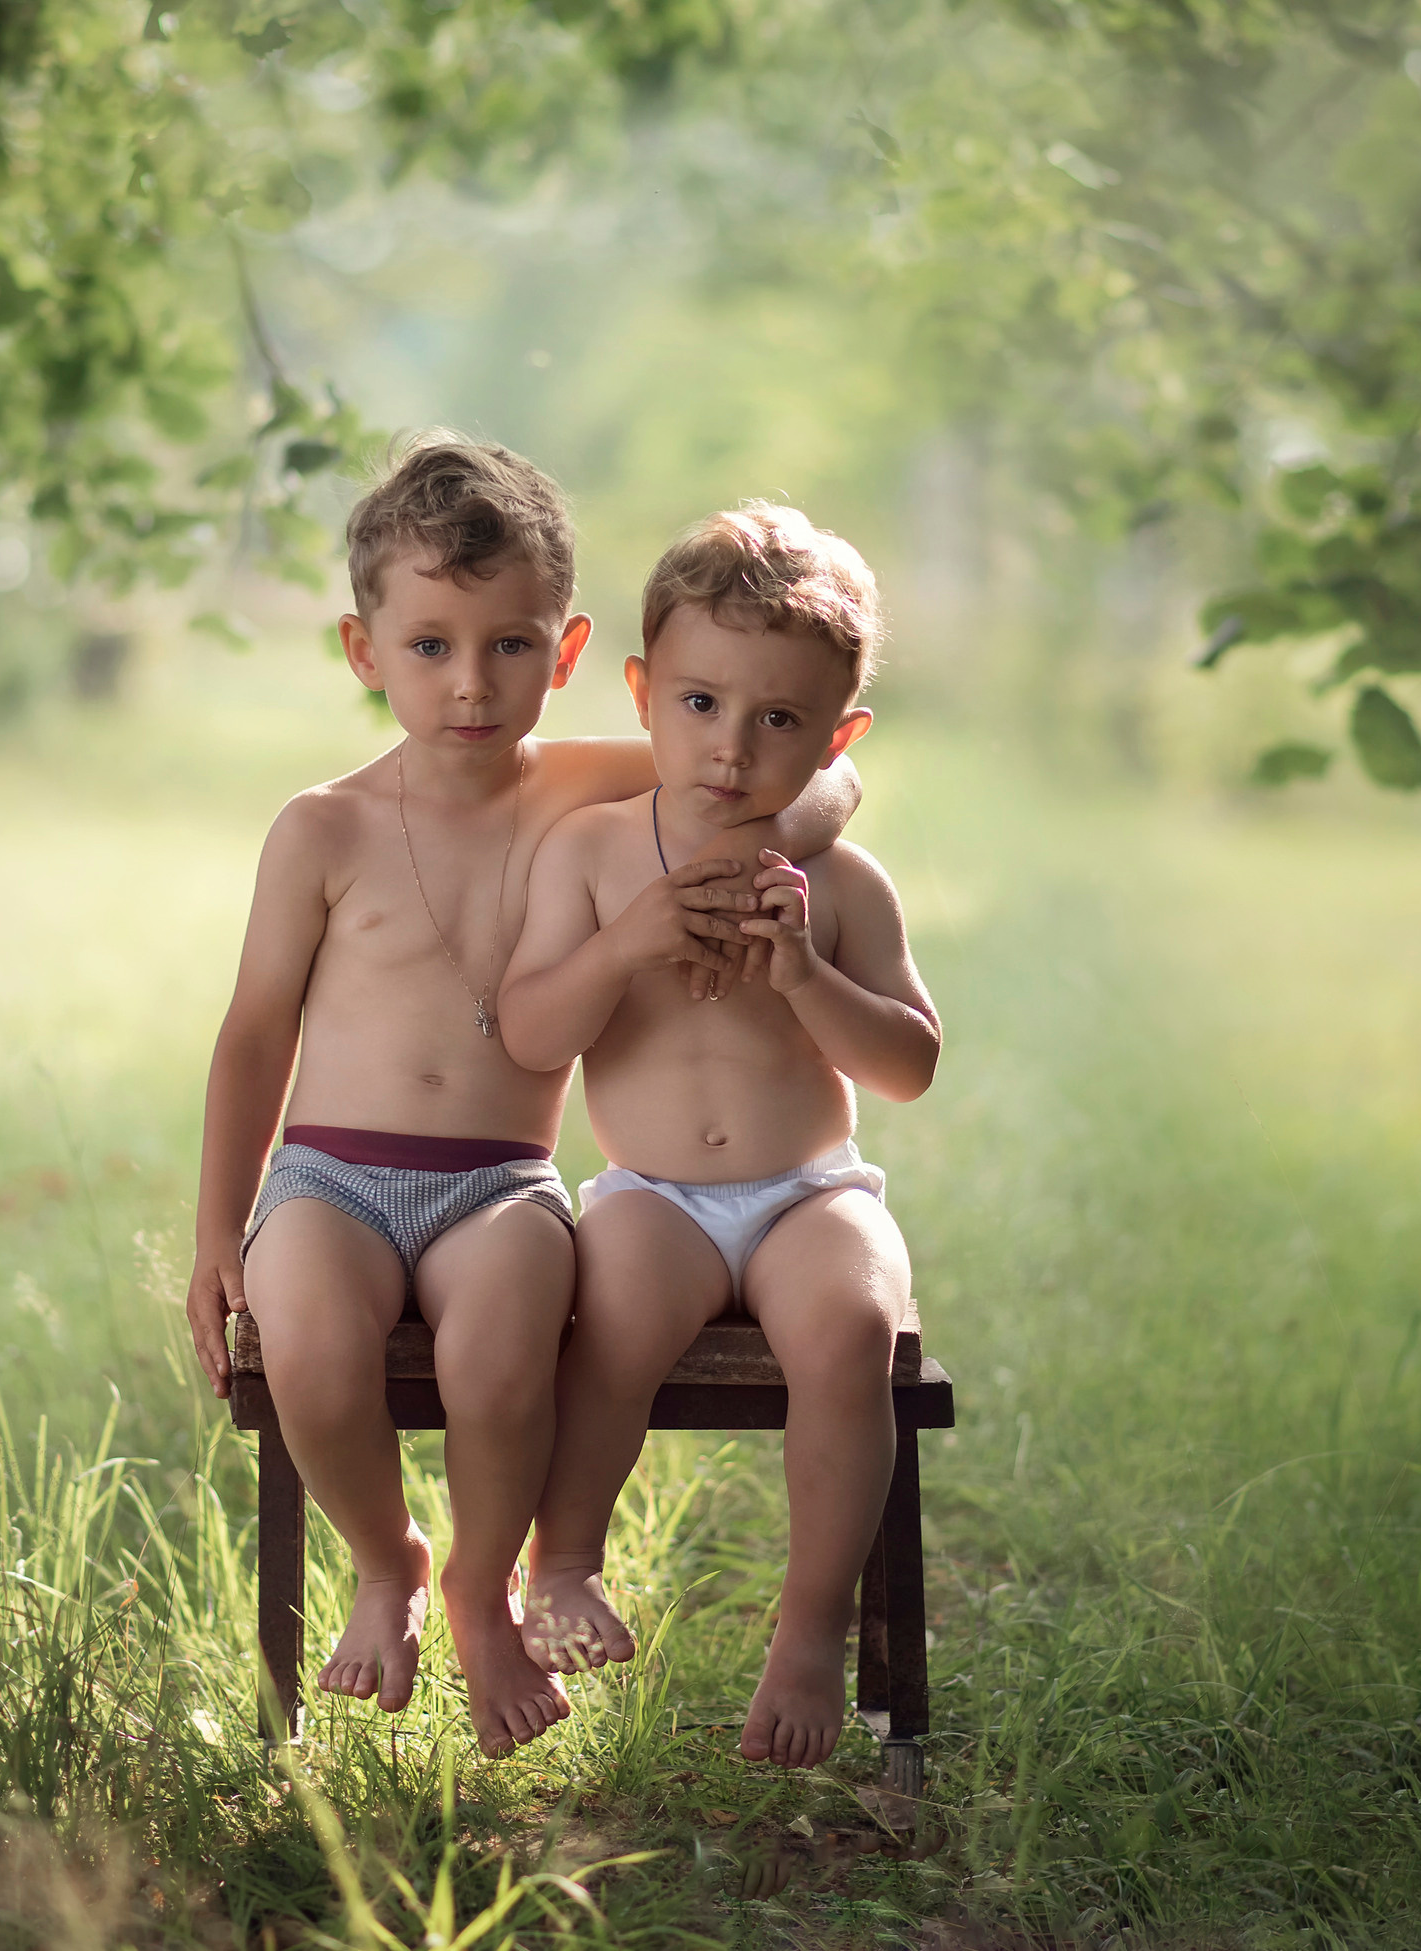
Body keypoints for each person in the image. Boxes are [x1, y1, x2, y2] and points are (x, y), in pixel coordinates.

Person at [184, 440, 860, 1757]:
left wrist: (770, 840)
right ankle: (388, 1560)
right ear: (363, 648)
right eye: (429, 644)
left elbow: (826, 774)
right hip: (329, 1174)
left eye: (509, 644)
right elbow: (254, 1030)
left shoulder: (596, 777)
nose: (470, 682)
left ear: (567, 650)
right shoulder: (321, 828)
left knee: (503, 1345)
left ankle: (485, 1582)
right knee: (312, 1339)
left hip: (502, 1183)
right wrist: (221, 1228)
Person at [496, 501, 942, 1769]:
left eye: (779, 720)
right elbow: (531, 1034)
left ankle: (808, 1631)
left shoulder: (842, 888)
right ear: (642, 693)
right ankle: (565, 1559)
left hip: (808, 1191)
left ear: (838, 736)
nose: (732, 749)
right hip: (653, 1191)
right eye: (699, 704)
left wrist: (804, 978)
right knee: (616, 1310)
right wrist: (622, 942)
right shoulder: (587, 856)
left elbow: (908, 1063)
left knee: (852, 1327)